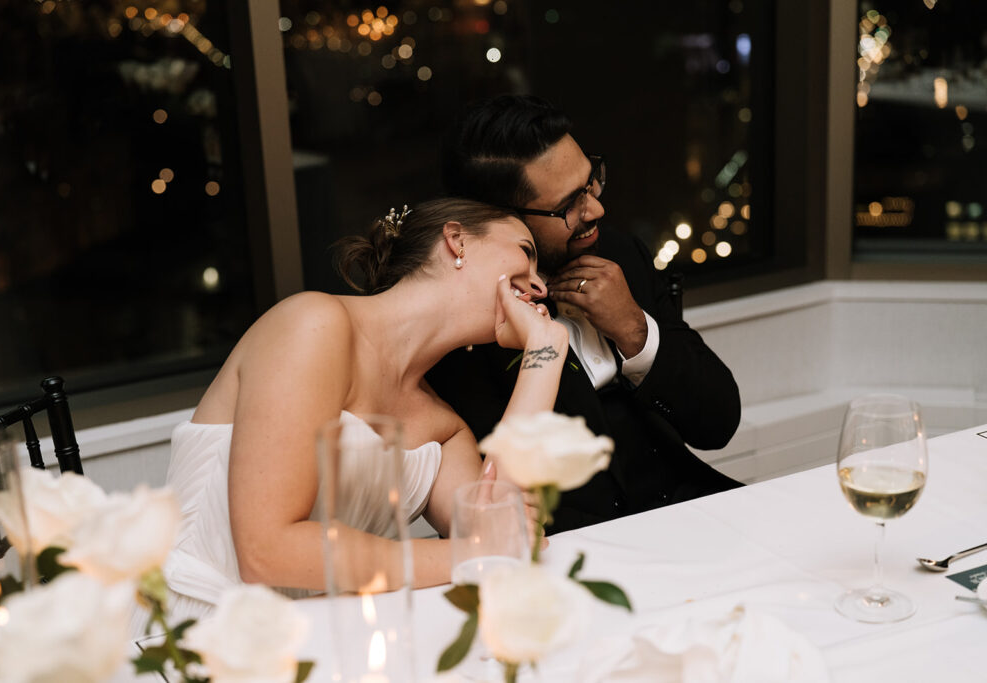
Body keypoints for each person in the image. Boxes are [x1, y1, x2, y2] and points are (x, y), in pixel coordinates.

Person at [156, 198, 568, 627]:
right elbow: (265, 552)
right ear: (457, 240)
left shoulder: (444, 431)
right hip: (195, 631)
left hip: (324, 638)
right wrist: (470, 553)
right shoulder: (312, 324)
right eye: (526, 251)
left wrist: (545, 355)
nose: (539, 287)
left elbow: (509, 538)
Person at [428, 94, 743, 533]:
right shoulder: (461, 329)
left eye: (591, 182)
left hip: (693, 506)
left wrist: (634, 329)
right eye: (568, 205)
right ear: (497, 218)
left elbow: (720, 422)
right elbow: (493, 501)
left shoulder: (619, 254)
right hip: (574, 548)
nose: (596, 208)